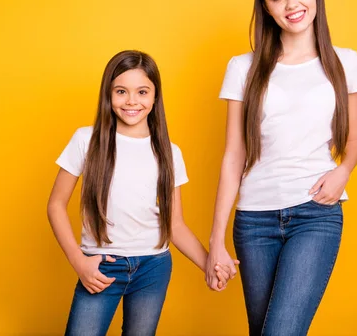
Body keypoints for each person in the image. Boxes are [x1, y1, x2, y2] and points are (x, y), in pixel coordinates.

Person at [206, 0, 357, 336]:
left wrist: (342, 171)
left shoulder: (346, 62)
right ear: (266, 8)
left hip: (316, 214)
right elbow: (234, 155)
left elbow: (355, 140)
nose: (292, 4)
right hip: (254, 220)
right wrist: (216, 240)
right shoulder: (242, 67)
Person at [47, 50, 234, 336]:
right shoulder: (87, 140)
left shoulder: (170, 153)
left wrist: (210, 263)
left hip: (153, 268)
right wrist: (78, 261)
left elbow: (175, 224)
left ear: (155, 96)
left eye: (142, 91)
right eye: (121, 91)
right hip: (102, 266)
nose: (132, 101)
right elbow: (56, 205)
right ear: (108, 95)